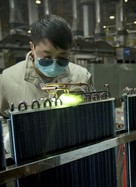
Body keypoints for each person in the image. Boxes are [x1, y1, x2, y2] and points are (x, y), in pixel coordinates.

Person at [0, 14, 94, 153]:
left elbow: (92, 114)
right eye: (47, 57)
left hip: (73, 155)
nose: (55, 62)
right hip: (30, 159)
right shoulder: (8, 79)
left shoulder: (81, 76)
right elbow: (2, 117)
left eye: (62, 57)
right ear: (32, 47)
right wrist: (7, 137)